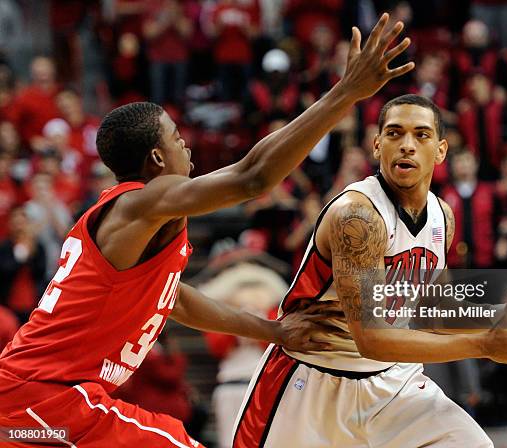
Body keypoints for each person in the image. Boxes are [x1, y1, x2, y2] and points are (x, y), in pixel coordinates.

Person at [0, 13, 414, 447]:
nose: (187, 145)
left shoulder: (136, 230)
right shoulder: (140, 203)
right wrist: (345, 93)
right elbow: (252, 176)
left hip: (30, 404)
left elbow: (173, 300)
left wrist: (271, 330)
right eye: (177, 138)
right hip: (46, 400)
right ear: (158, 160)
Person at [233, 94, 507, 447]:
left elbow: (434, 309)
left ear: (440, 150)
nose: (406, 145)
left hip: (392, 383)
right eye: (394, 134)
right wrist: (485, 343)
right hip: (312, 385)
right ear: (377, 145)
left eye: (421, 135)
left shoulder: (442, 217)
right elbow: (372, 339)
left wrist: (501, 316)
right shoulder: (358, 216)